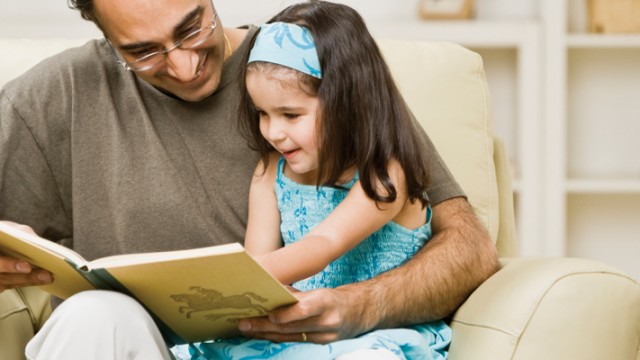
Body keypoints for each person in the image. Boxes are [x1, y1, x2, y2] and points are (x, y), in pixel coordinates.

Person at [0, 0, 498, 358]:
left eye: (192, 27)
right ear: (105, 36)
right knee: (96, 316)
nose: (185, 64)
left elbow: (470, 248)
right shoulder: (52, 97)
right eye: (144, 52)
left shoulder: (307, 63)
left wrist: (360, 305)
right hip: (168, 349)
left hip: (319, 343)